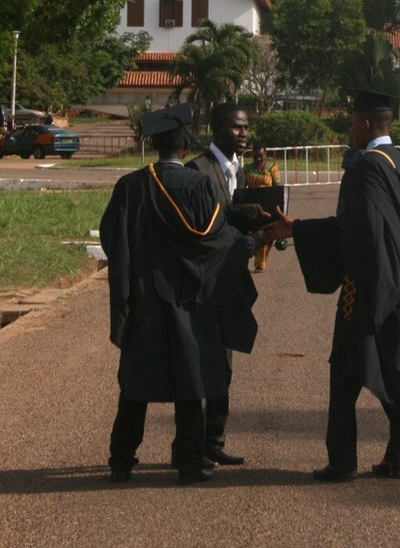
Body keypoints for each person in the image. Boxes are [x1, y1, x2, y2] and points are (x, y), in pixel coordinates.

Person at [265, 88, 400, 482]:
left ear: (366, 125)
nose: (349, 132)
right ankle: (397, 455)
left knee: (345, 373)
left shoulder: (369, 167)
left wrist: (297, 228)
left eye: (352, 125)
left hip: (368, 286)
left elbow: (358, 230)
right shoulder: (398, 161)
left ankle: (342, 461)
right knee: (393, 368)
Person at [100, 104, 258, 486]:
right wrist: (245, 244)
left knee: (135, 385)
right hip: (189, 299)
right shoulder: (197, 186)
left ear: (154, 144)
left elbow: (111, 240)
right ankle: (189, 462)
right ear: (185, 144)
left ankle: (122, 461)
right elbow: (215, 239)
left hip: (145, 300)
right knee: (191, 381)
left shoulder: (130, 187)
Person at [187, 102, 266, 466]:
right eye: (237, 128)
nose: (244, 133)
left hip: (231, 280)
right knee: (200, 364)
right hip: (204, 283)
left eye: (247, 127)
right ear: (217, 129)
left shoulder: (239, 171)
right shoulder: (198, 171)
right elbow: (202, 226)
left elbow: (229, 218)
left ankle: (214, 439)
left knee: (225, 363)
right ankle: (189, 446)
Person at [245, 145, 281, 270]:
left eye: (261, 156)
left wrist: (279, 208)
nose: (259, 159)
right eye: (255, 156)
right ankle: (255, 251)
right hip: (252, 206)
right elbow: (242, 188)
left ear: (266, 154)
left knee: (267, 232)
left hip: (268, 206)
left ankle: (261, 260)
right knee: (253, 232)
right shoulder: (247, 168)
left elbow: (277, 188)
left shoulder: (272, 168)